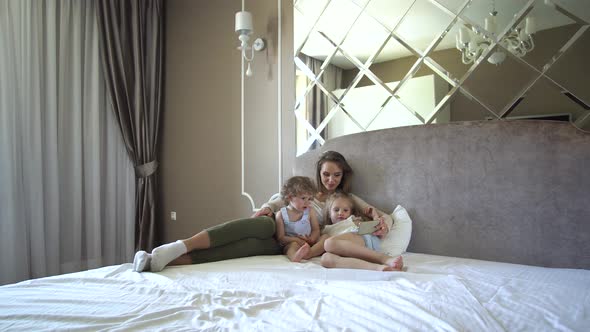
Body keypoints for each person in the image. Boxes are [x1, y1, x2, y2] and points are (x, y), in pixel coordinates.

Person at [132, 150, 392, 272]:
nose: (331, 179)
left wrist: (383, 222)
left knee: (233, 251)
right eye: (326, 174)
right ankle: (180, 245)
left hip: (289, 244)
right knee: (261, 223)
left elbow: (381, 215)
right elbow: (280, 200)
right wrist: (267, 207)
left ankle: (156, 262)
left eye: (336, 175)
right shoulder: (307, 189)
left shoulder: (345, 198)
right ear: (319, 172)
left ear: (343, 175)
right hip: (274, 226)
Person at [319, 192, 403, 272]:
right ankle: (377, 268)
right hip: (347, 255)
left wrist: (375, 216)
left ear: (350, 213)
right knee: (325, 259)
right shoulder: (327, 230)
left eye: (345, 210)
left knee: (329, 243)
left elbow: (375, 227)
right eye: (336, 210)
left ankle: (384, 258)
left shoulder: (352, 220)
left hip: (362, 242)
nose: (341, 213)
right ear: (329, 213)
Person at [274, 176, 321, 262]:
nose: (307, 202)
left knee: (325, 237)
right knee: (292, 246)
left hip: (309, 243)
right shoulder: (281, 214)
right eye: (303, 198)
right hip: (291, 243)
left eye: (309, 199)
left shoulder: (310, 211)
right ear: (290, 197)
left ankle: (310, 253)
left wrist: (312, 239)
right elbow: (281, 238)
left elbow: (316, 229)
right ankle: (295, 256)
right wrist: (297, 240)